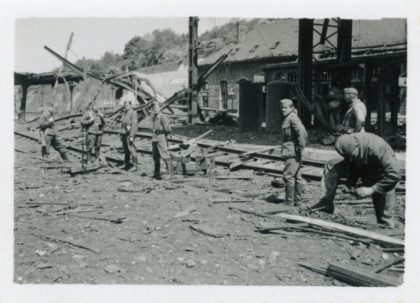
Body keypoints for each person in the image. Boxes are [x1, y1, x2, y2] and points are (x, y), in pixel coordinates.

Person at [309, 133, 401, 228]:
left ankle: (386, 223)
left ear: (358, 147)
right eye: (348, 156)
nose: (350, 157)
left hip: (381, 174)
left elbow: (394, 175)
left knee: (384, 220)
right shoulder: (349, 147)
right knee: (331, 165)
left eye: (352, 155)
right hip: (363, 168)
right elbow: (351, 164)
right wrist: (351, 184)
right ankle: (326, 203)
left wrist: (372, 189)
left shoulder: (377, 148)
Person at [280, 99, 308, 207]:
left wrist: (301, 147)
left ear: (291, 108)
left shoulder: (292, 118)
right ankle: (298, 201)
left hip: (293, 151)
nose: (283, 110)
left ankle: (289, 202)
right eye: (282, 107)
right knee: (297, 177)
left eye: (285, 107)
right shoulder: (288, 118)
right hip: (292, 150)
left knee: (288, 176)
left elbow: (302, 132)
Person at [151, 102, 172, 180]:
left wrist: (164, 134)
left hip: (161, 138)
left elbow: (168, 129)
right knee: (155, 156)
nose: (155, 110)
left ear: (160, 108)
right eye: (154, 108)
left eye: (157, 108)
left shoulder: (162, 117)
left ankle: (170, 174)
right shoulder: (154, 117)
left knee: (165, 155)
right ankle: (157, 174)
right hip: (154, 138)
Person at [80, 102, 105, 167]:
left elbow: (104, 123)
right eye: (96, 106)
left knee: (98, 147)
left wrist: (102, 118)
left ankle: (97, 160)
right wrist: (89, 121)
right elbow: (82, 121)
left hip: (99, 132)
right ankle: (88, 161)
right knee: (90, 147)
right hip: (91, 132)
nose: (97, 108)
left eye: (98, 106)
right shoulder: (88, 113)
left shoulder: (100, 114)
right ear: (92, 107)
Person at [120, 99, 138, 171]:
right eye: (125, 105)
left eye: (127, 105)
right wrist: (121, 134)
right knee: (126, 149)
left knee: (132, 149)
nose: (126, 106)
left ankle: (134, 166)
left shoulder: (133, 113)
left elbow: (134, 125)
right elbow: (123, 124)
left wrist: (132, 135)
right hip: (124, 133)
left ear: (130, 105)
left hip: (129, 134)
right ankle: (126, 164)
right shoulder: (125, 113)